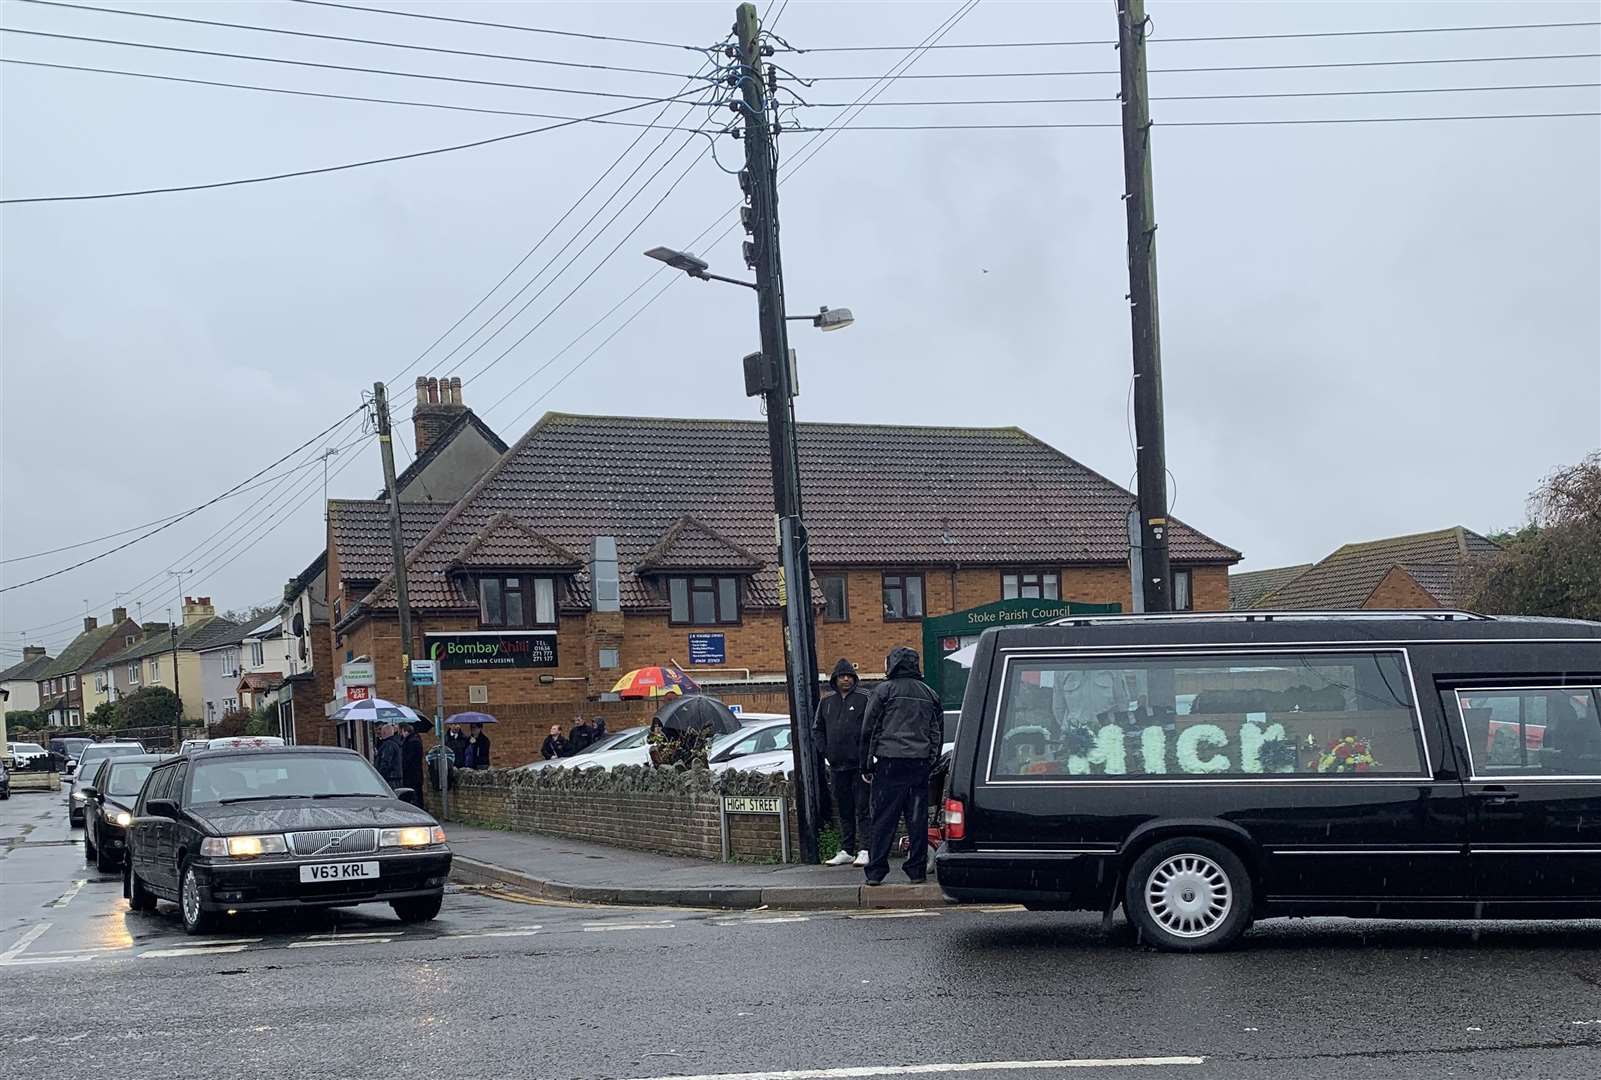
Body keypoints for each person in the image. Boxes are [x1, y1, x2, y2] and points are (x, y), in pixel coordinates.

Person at [858, 646, 942, 886]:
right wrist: (930, 761)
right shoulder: (929, 693)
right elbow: (936, 731)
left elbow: (869, 729)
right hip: (918, 764)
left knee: (884, 819)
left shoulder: (883, 690)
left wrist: (866, 764)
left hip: (889, 762)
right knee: (917, 819)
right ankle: (916, 871)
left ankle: (876, 872)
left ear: (891, 664)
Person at [813, 657, 872, 867]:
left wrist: (868, 756)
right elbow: (817, 729)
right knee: (844, 809)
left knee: (863, 808)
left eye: (849, 676)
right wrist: (826, 751)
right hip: (837, 765)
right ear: (835, 679)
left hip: (860, 765)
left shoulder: (865, 698)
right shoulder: (826, 702)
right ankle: (847, 849)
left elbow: (874, 727)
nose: (845, 680)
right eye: (841, 676)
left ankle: (865, 849)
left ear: (854, 678)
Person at [399, 722, 425, 806]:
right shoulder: (415, 739)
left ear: (404, 730)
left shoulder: (411, 742)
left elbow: (408, 759)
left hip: (412, 774)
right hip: (415, 773)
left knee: (414, 795)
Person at [373, 721, 405, 790]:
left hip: (390, 780)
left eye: (381, 731)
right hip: (395, 779)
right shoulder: (395, 743)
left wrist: (378, 775)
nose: (380, 733)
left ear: (384, 733)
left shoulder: (388, 745)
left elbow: (385, 762)